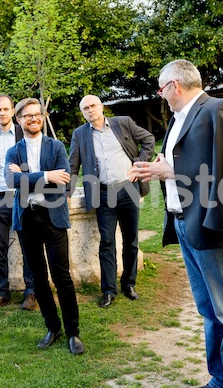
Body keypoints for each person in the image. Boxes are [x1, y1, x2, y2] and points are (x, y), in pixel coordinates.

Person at [131, 60, 223, 388]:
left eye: (160, 88)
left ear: (174, 85)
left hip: (210, 226)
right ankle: (220, 378)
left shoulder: (218, 109)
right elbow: (180, 162)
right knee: (208, 310)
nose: (161, 95)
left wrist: (172, 172)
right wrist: (157, 167)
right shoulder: (176, 120)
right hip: (183, 225)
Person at [5, 98, 84, 355]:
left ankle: (73, 332)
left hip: (53, 218)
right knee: (38, 278)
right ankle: (53, 327)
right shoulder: (14, 151)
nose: (34, 119)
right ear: (19, 120)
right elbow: (10, 180)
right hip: (27, 219)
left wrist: (28, 178)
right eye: (27, 116)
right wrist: (46, 175)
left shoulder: (56, 146)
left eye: (37, 114)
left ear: (42, 116)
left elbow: (62, 180)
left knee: (62, 276)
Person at [69, 95, 155, 308]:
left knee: (131, 238)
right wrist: (67, 193)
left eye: (93, 106)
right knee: (107, 241)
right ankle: (108, 290)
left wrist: (139, 164)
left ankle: (129, 284)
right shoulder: (79, 135)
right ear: (83, 113)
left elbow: (149, 140)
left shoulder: (122, 123)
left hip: (128, 188)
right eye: (85, 108)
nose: (90, 110)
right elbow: (72, 166)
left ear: (102, 107)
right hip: (103, 193)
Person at [0, 94, 37, 310]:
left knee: (29, 246)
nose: (2, 113)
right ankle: (1, 292)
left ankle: (31, 292)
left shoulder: (26, 131)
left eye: (6, 109)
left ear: (13, 111)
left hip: (24, 196)